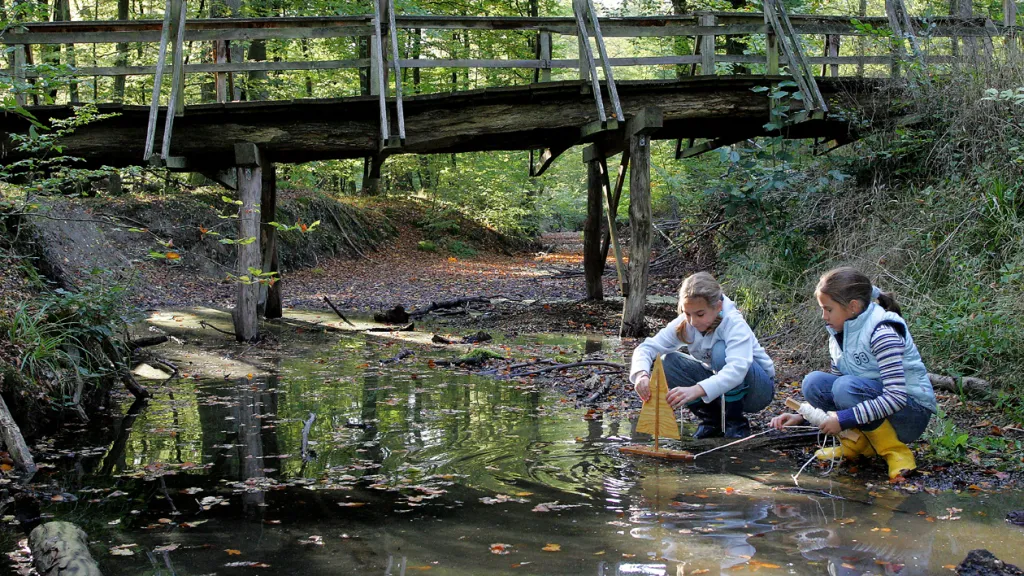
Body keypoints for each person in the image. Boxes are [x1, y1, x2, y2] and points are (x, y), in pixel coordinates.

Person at [770, 267, 936, 480]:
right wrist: (802, 416)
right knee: (814, 383)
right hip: (875, 402)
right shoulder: (839, 333)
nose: (823, 316)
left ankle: (895, 451)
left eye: (828, 309)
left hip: (911, 414)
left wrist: (843, 418)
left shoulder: (882, 332)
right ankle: (855, 443)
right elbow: (835, 387)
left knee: (845, 387)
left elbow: (896, 397)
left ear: (853, 307)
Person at [630, 272, 775, 439]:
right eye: (687, 313)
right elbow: (646, 347)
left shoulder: (734, 323)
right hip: (720, 389)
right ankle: (712, 421)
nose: (693, 321)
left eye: (700, 314)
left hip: (757, 391)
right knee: (668, 361)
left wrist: (696, 390)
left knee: (720, 351)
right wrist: (641, 374)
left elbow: (737, 370)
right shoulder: (685, 324)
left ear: (718, 307)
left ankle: (735, 424)